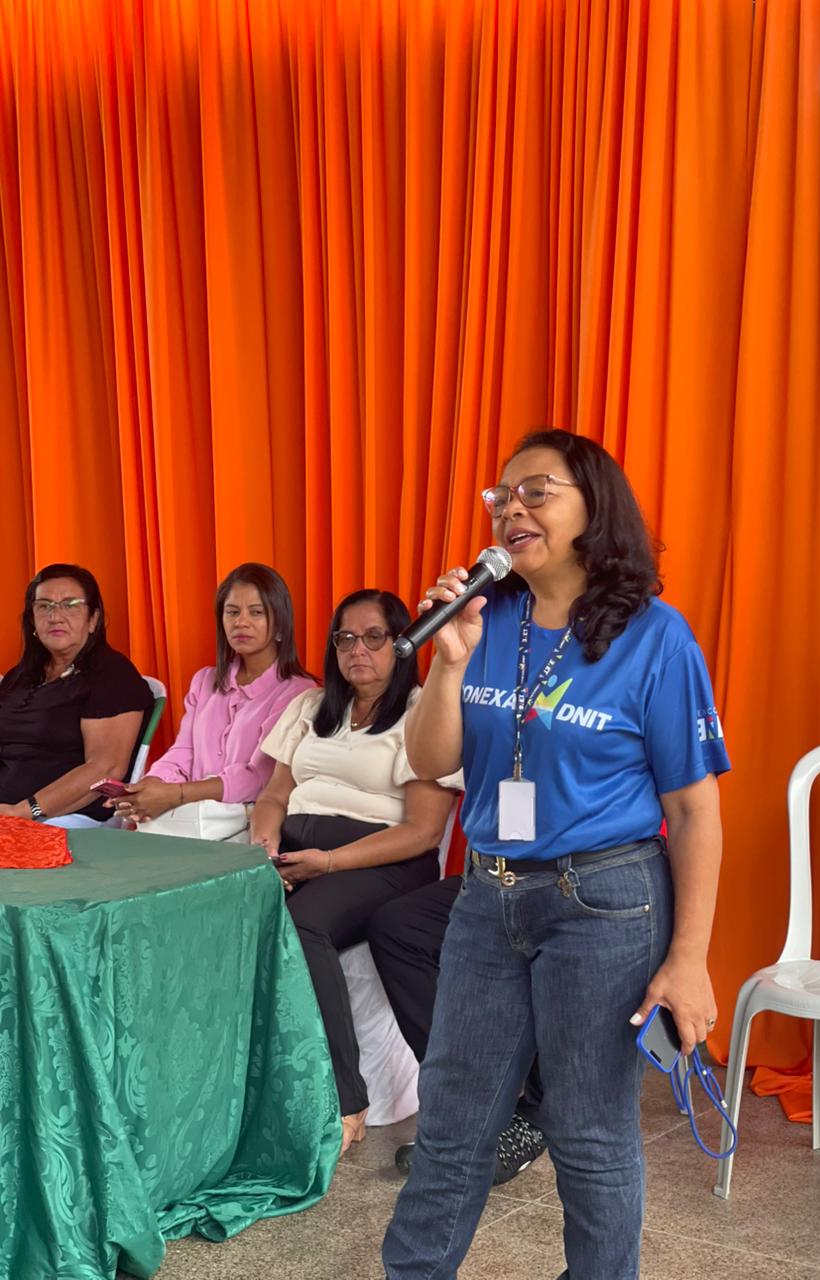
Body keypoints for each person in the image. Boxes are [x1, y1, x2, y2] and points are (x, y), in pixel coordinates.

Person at [382, 429, 731, 1280]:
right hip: (487, 896)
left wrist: (689, 958)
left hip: (603, 903)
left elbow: (693, 810)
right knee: (452, 1124)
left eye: (537, 491)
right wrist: (448, 663)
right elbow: (430, 761)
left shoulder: (656, 637)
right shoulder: (484, 619)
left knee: (588, 1131)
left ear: (593, 508)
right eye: (502, 496)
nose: (513, 509)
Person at [250, 588, 459, 1157]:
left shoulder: (424, 712)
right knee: (228, 911)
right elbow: (273, 796)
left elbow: (423, 831)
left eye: (373, 637)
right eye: (345, 638)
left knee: (301, 926)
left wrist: (327, 863)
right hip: (296, 851)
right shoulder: (311, 706)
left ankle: (348, 1100)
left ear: (402, 643)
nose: (357, 650)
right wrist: (265, 849)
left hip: (383, 860)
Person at [110, 563, 314, 841]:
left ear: (279, 623)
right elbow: (183, 752)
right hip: (189, 816)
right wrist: (150, 787)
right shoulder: (205, 680)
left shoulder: (298, 691)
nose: (241, 622)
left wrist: (176, 794)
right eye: (232, 612)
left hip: (249, 825)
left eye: (256, 612)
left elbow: (259, 778)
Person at [367, 876, 548, 1184]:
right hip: (501, 874)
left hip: (581, 877)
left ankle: (536, 1118)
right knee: (400, 927)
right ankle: (466, 1097)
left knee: (560, 955)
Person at [0, 563, 153, 826]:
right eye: (44, 606)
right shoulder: (21, 675)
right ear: (32, 619)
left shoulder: (113, 676)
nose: (55, 616)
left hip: (64, 818)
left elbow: (105, 768)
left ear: (93, 620)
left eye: (70, 605)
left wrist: (22, 812)